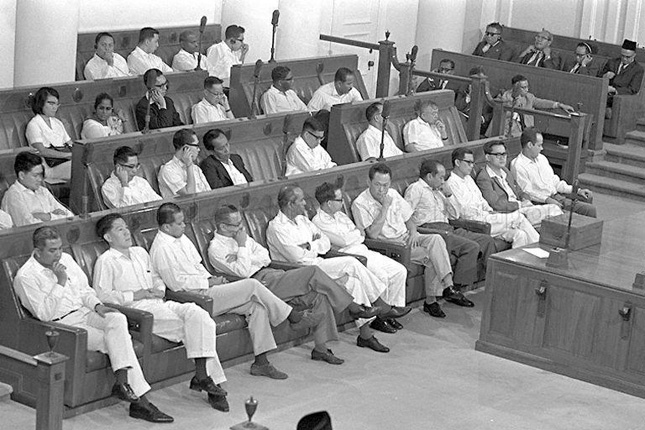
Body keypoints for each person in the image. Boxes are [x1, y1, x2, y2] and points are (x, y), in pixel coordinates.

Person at [13, 227, 173, 423]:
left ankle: (123, 384)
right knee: (115, 342)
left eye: (59, 248)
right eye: (52, 250)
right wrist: (60, 282)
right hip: (64, 324)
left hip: (86, 312)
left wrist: (97, 305)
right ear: (37, 252)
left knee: (117, 318)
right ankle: (141, 401)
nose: (58, 255)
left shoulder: (67, 260)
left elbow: (84, 291)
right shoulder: (26, 276)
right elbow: (45, 314)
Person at [149, 203, 322, 376]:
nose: (184, 226)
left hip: (208, 286)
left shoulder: (181, 238)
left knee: (257, 306)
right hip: (195, 296)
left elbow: (198, 266)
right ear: (166, 226)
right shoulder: (162, 248)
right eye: (179, 223)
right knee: (252, 285)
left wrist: (214, 279)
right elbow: (176, 284)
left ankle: (261, 362)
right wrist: (209, 282)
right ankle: (293, 316)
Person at [92, 214, 231, 412]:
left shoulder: (140, 252)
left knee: (198, 315)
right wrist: (134, 294)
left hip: (160, 302)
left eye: (126, 228)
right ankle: (207, 381)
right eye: (119, 229)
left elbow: (155, 276)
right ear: (108, 237)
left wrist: (159, 288)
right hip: (138, 310)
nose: (126, 232)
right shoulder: (106, 261)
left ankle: (203, 376)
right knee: (191, 327)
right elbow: (102, 295)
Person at [208, 204, 378, 364]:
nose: (241, 227)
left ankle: (320, 348)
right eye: (236, 224)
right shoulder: (217, 248)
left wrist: (242, 255)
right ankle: (354, 306)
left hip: (273, 273)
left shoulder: (241, 236)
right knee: (312, 271)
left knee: (319, 295)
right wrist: (242, 246)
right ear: (223, 227)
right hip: (258, 285)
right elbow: (244, 272)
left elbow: (265, 257)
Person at [267, 184, 408, 352]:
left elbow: (325, 243)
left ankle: (365, 335)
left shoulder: (303, 220)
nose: (305, 203)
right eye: (301, 200)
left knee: (354, 282)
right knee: (351, 263)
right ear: (290, 204)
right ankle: (381, 305)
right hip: (297, 273)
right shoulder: (276, 227)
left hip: (316, 264)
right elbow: (296, 257)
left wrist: (308, 246)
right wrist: (313, 245)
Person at [351, 163, 473, 319]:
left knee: (436, 239)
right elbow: (372, 235)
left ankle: (448, 286)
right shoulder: (360, 203)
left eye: (385, 185)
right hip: (389, 246)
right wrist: (384, 208)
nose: (382, 190)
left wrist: (414, 232)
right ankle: (431, 301)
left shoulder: (393, 194)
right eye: (377, 185)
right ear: (369, 182)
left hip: (406, 238)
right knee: (431, 257)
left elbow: (409, 218)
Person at [312, 181, 411, 333]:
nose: (342, 202)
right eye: (339, 200)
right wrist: (354, 235)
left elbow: (360, 234)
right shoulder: (318, 221)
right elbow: (344, 241)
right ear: (328, 203)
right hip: (349, 254)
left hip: (363, 248)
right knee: (382, 276)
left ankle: (391, 311)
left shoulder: (341, 216)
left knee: (399, 271)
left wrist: (354, 235)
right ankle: (381, 316)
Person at [404, 159, 496, 278]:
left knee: (487, 240)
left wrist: (449, 195)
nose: (443, 181)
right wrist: (413, 231)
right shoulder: (416, 189)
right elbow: (406, 215)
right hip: (430, 229)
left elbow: (455, 215)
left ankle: (491, 280)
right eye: (441, 177)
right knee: (471, 247)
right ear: (430, 176)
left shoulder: (439, 190)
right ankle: (460, 287)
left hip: (448, 227)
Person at [445, 147, 540, 248]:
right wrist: (484, 212)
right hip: (474, 222)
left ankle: (516, 263)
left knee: (520, 234)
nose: (472, 166)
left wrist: (490, 211)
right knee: (519, 218)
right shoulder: (451, 183)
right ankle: (541, 251)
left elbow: (481, 199)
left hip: (486, 216)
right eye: (468, 162)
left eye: (473, 162)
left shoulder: (468, 178)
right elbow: (464, 211)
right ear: (457, 162)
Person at [511, 128, 597, 218]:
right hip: (541, 203)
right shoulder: (518, 165)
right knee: (574, 218)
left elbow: (555, 182)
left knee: (590, 209)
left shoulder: (542, 158)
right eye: (539, 145)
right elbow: (527, 192)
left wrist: (577, 190)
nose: (542, 148)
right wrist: (547, 200)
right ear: (529, 145)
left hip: (557, 197)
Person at [475, 140, 563, 226]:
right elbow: (496, 204)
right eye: (498, 155)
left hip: (523, 209)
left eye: (504, 154)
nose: (502, 158)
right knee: (554, 210)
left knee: (554, 211)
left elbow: (519, 191)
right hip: (508, 214)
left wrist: (526, 200)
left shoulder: (505, 171)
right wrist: (519, 205)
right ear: (487, 157)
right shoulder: (484, 177)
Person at [2, 152, 74, 227]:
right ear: (22, 175)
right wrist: (54, 216)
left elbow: (69, 216)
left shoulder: (43, 191)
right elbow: (27, 225)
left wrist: (46, 216)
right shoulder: (14, 195)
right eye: (35, 175)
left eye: (41, 174)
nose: (40, 179)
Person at [497, 74, 574, 136]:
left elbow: (542, 102)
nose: (527, 90)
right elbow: (501, 115)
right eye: (523, 87)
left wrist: (559, 105)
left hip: (526, 130)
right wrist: (516, 104)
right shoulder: (504, 97)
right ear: (515, 87)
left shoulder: (529, 97)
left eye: (527, 87)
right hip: (508, 130)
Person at [25, 87, 72, 183]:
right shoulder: (34, 124)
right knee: (80, 166)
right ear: (41, 103)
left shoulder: (57, 122)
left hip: (65, 161)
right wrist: (67, 155)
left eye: (56, 104)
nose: (55, 107)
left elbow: (70, 143)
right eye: (51, 103)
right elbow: (41, 151)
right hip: (48, 167)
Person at [158, 129, 211, 198]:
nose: (198, 149)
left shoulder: (195, 168)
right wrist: (189, 166)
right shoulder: (168, 170)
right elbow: (190, 196)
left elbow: (209, 192)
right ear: (186, 148)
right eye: (196, 146)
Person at [599, 39, 644, 112]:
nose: (624, 59)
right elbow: (598, 78)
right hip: (604, 94)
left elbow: (633, 89)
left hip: (620, 99)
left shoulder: (638, 69)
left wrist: (614, 90)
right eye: (622, 56)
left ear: (634, 55)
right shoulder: (612, 62)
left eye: (628, 57)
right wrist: (605, 76)